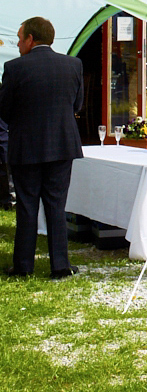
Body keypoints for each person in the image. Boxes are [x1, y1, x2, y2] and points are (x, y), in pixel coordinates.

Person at [0, 16, 84, 279]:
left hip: (26, 146)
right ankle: (60, 265)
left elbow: (4, 110)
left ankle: (23, 266)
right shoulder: (73, 65)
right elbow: (77, 105)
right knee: (56, 206)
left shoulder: (14, 68)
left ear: (30, 39)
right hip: (61, 144)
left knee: (26, 206)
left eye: (19, 37)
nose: (17, 43)